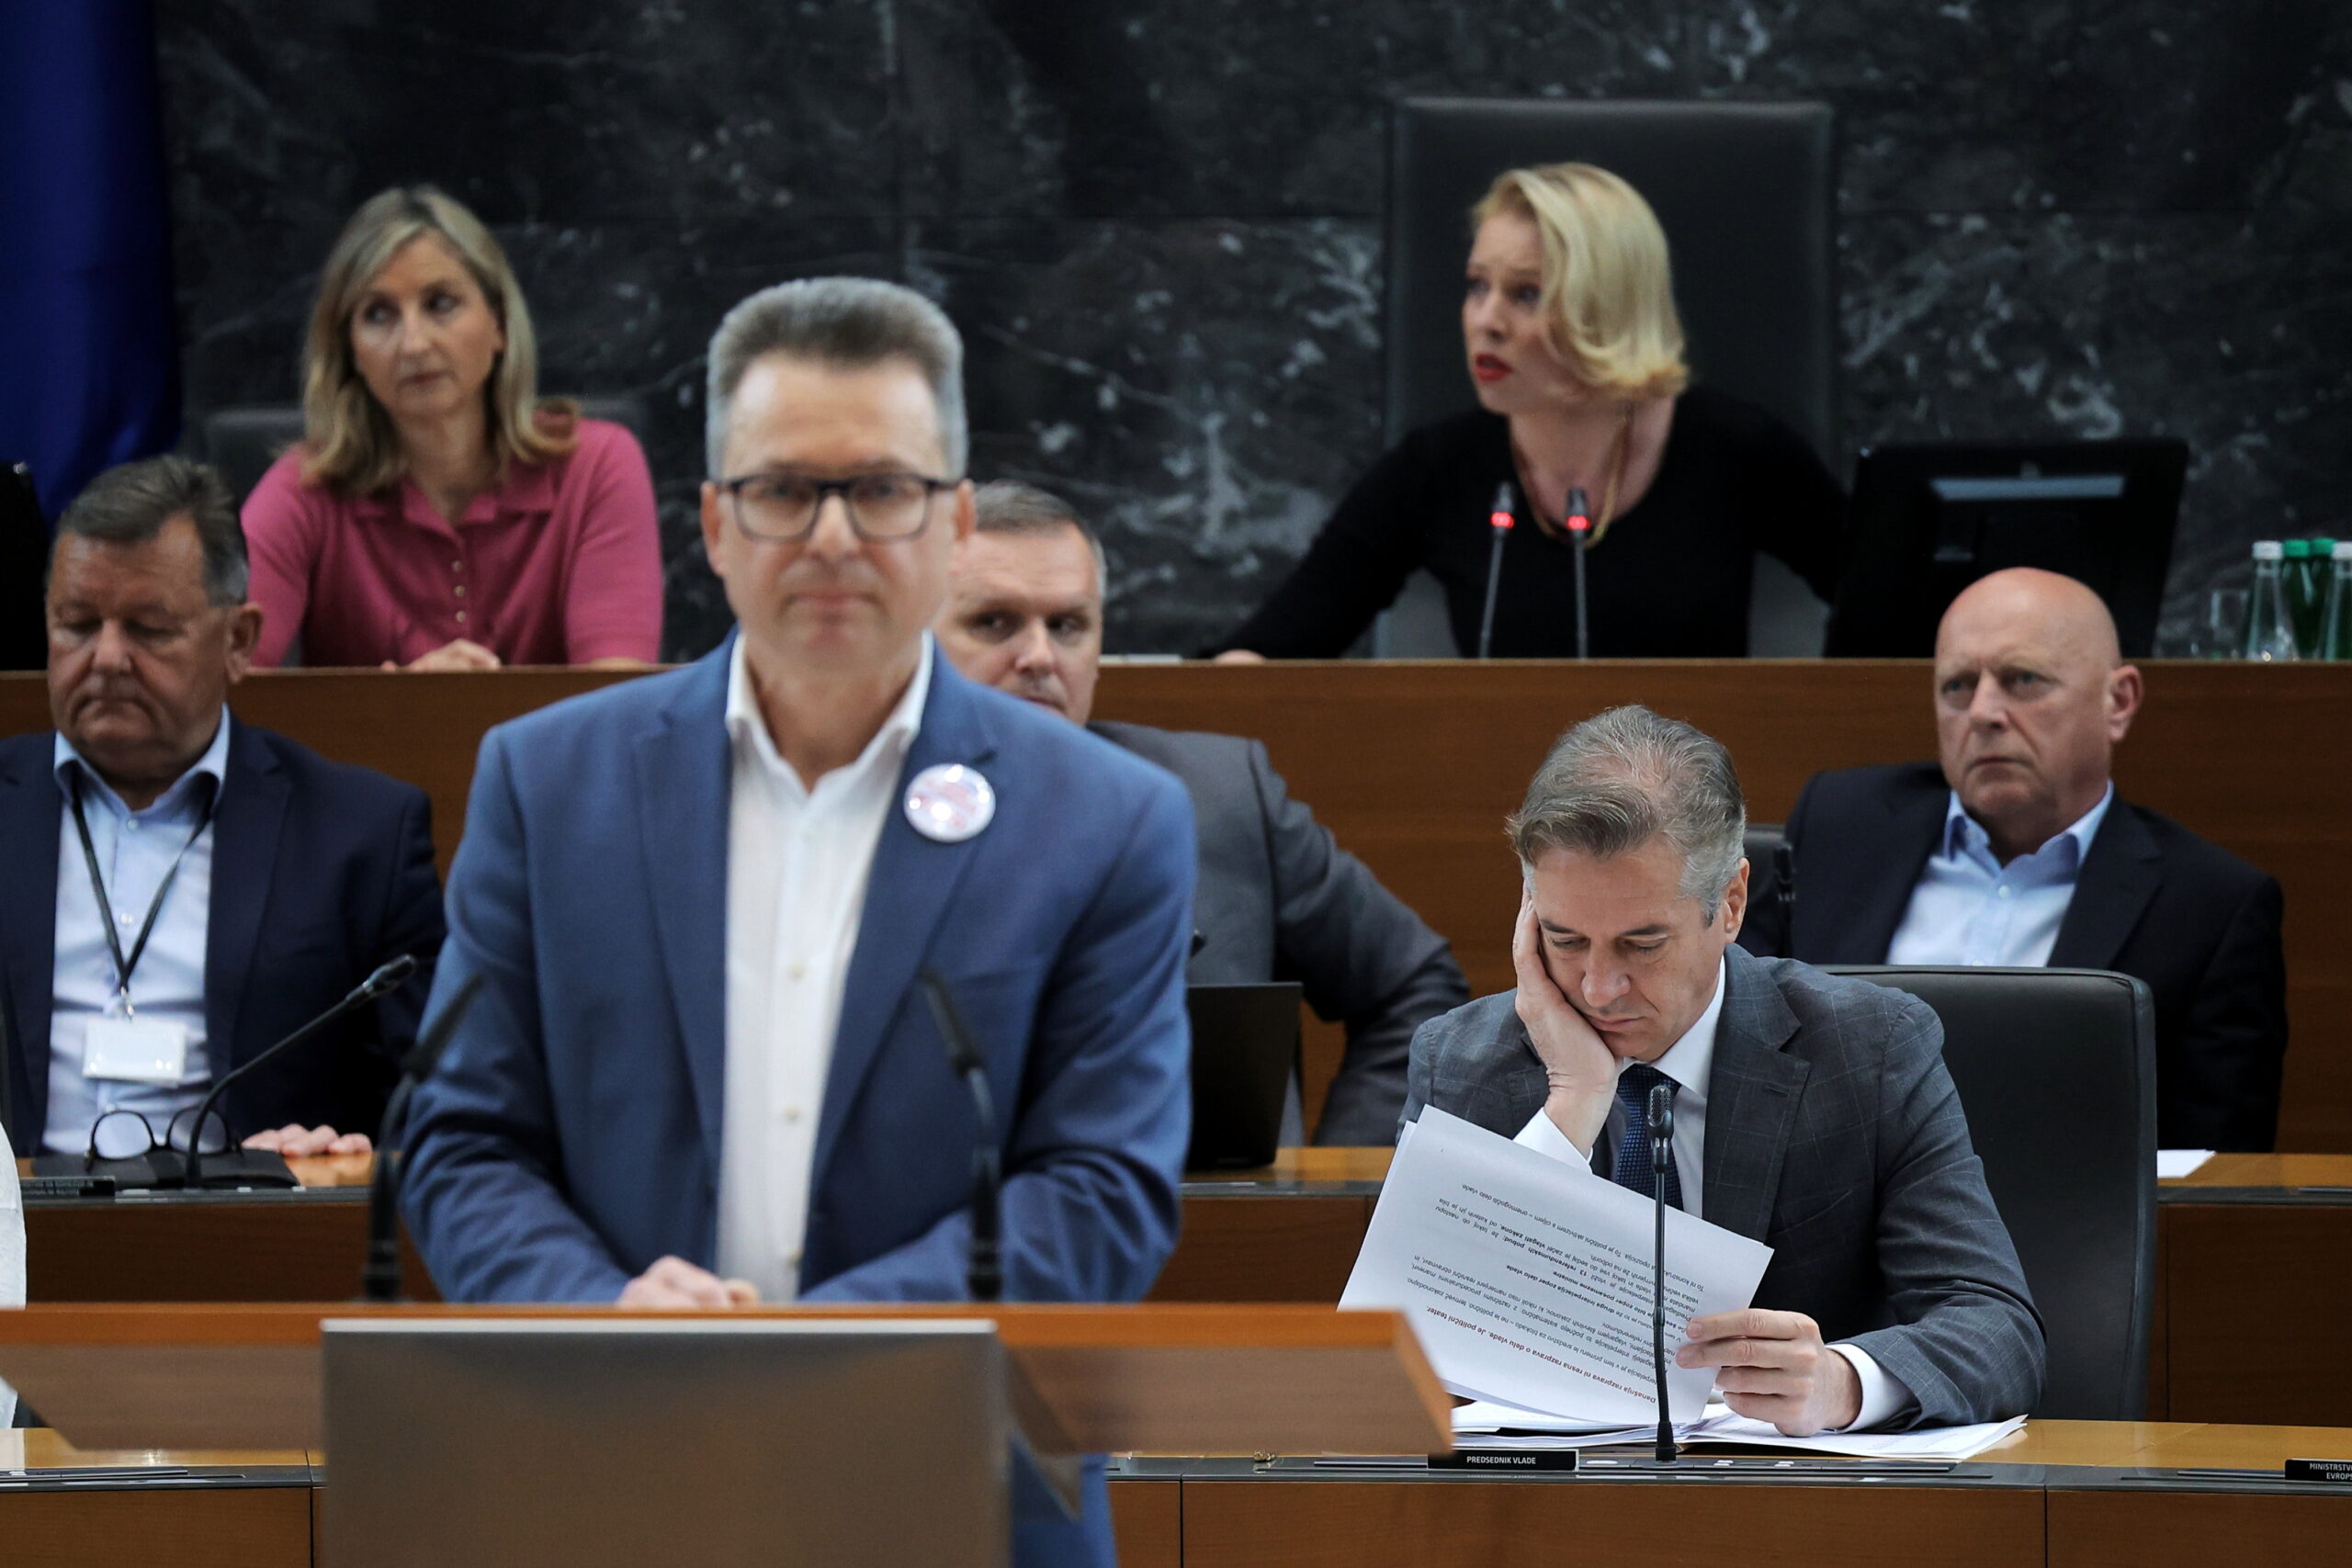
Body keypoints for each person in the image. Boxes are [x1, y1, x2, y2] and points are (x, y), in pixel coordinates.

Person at [401, 279, 1195, 1568]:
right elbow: (461, 1139)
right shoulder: (547, 785)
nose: (832, 537)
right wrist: (599, 1309)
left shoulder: (1106, 821)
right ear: (715, 523)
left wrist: (805, 1348)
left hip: (961, 1496)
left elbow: (1101, 1190)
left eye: (881, 489)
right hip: (612, 1473)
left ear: (955, 523)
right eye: (782, 490)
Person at [1407, 705, 2042, 1434]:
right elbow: (1411, 1356)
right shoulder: (1462, 1062)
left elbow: (1997, 1327)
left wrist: (1841, 1382)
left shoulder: (1867, 1050)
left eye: (1642, 943)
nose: (1599, 988)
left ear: (1731, 904)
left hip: (1781, 1494)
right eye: (1566, 939)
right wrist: (1573, 1102)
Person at [937, 479, 1467, 1143]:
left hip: (1214, 1206)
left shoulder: (1218, 792)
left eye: (1067, 626)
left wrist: (1333, 1178)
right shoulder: (855, 817)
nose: (1040, 656)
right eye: (995, 622)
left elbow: (1415, 988)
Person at [1743, 567, 2288, 1152]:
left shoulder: (2208, 907)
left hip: (2063, 1207)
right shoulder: (1840, 826)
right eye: (1958, 686)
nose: (1983, 712)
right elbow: (1738, 1034)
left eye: (2023, 679)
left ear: (2119, 701)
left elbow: (2214, 1168)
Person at [1210, 163, 1845, 660]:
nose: (1486, 321)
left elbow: (1884, 620)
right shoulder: (1436, 469)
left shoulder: (1738, 451)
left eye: (1527, 293)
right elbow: (1272, 650)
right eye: (1477, 286)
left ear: (1609, 307)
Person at [0, 457, 444, 1161]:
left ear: (238, 641)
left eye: (148, 629)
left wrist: (346, 1152)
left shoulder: (360, 836)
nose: (107, 658)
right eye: (78, 625)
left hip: (242, 1221)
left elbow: (439, 1106)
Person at [241, 186, 662, 671]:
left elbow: (617, 694)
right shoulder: (305, 490)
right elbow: (215, 685)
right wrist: (406, 706)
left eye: (440, 304)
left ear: (499, 324)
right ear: (350, 350)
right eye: (378, 314)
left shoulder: (597, 467)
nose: (414, 344)